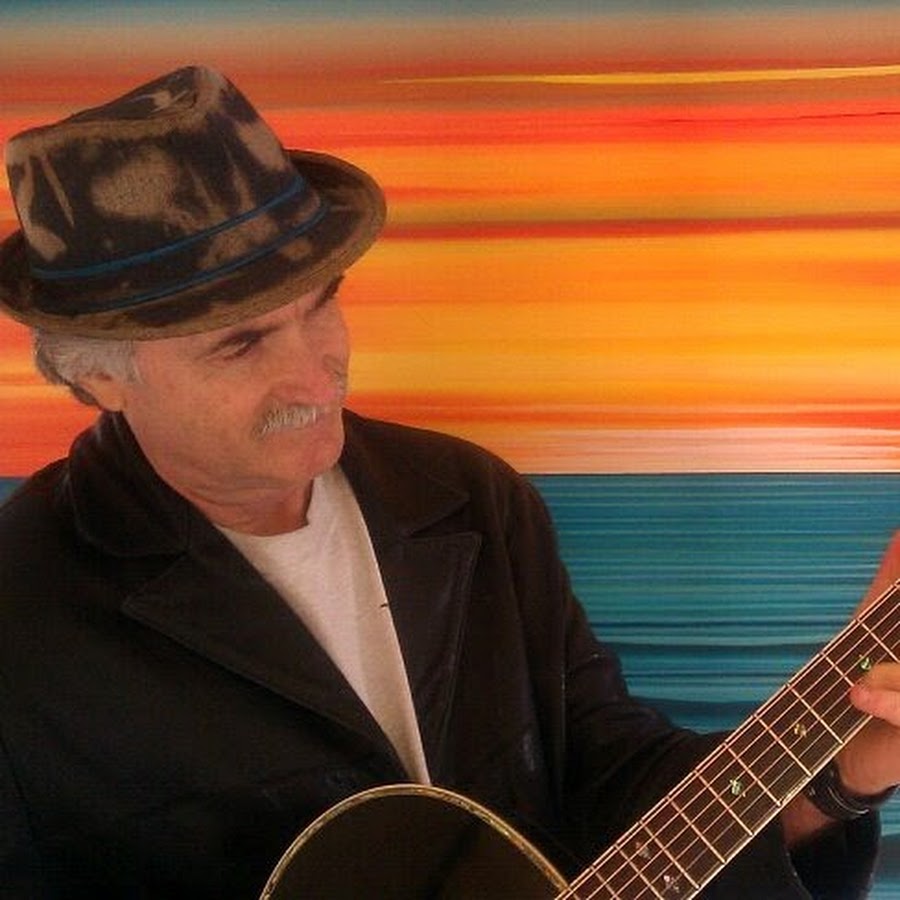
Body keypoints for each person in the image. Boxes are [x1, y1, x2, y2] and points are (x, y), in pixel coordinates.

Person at [1, 65, 899, 900]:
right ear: (100, 374)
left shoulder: (468, 496)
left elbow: (610, 791)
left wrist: (838, 772)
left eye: (323, 304)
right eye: (241, 344)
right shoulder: (19, 618)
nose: (317, 376)